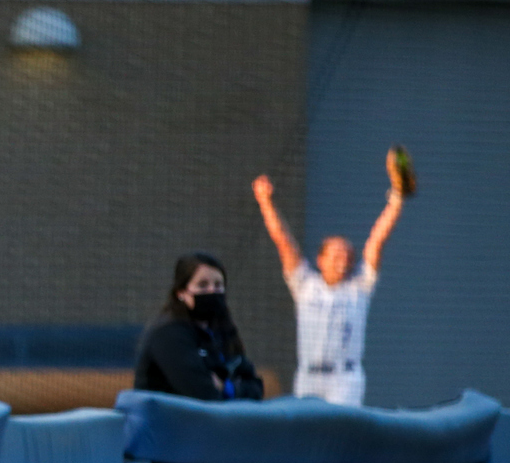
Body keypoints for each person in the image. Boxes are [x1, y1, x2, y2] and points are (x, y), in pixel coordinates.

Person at [252, 148, 409, 405]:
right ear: (320, 260)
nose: (342, 259)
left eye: (347, 254)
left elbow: (377, 241)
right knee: (307, 435)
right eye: (335, 254)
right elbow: (283, 241)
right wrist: (265, 202)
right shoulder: (305, 284)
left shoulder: (359, 287)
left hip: (344, 379)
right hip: (309, 376)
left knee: (341, 436)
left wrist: (397, 198)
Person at [134, 252, 264, 401]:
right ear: (181, 293)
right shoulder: (169, 334)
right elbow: (202, 393)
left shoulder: (222, 332)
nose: (212, 292)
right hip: (170, 421)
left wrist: (226, 387)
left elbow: (255, 388)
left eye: (218, 285)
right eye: (202, 285)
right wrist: (227, 387)